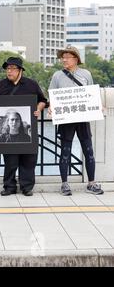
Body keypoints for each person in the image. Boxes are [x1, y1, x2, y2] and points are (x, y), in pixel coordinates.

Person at [49, 46, 104, 196]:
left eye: (67, 57)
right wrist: (51, 107)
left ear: (76, 59)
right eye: (63, 57)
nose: (64, 60)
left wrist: (98, 105)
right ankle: (65, 184)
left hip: (83, 118)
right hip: (66, 119)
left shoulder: (86, 74)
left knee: (88, 151)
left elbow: (92, 93)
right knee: (65, 151)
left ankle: (91, 183)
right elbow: (52, 95)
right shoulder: (57, 76)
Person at [0, 57, 47, 197]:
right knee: (10, 160)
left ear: (20, 70)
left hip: (28, 132)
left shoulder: (31, 85)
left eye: (13, 68)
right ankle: (9, 186)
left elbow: (43, 100)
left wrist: (39, 109)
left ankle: (27, 187)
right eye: (7, 69)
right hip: (9, 134)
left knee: (29, 159)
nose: (9, 71)